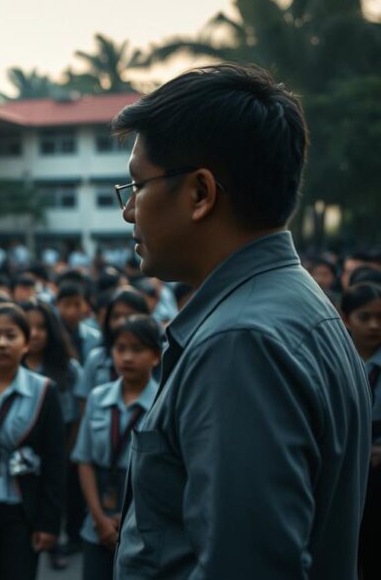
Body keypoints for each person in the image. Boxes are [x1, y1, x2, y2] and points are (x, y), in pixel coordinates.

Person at [112, 63, 370, 579]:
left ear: (201, 193)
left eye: (138, 186)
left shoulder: (241, 343)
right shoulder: (295, 304)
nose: (129, 212)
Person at [0, 303, 65, 580]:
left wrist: (49, 523)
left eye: (11, 336)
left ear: (26, 343)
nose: (1, 343)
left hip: (23, 510)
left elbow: (55, 460)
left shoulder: (43, 390)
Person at [72, 315, 160, 580]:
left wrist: (126, 517)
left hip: (142, 515)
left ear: (156, 356)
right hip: (98, 511)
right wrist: (99, 518)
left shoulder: (161, 402)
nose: (128, 357)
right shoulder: (99, 397)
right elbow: (84, 459)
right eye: (121, 349)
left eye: (137, 349)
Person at [19, 299, 83, 570]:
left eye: (41, 327)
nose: (34, 333)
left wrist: (67, 452)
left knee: (56, 496)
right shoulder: (10, 365)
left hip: (59, 446)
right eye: (27, 327)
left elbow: (77, 416)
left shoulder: (68, 369)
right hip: (21, 449)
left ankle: (55, 542)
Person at [341, 282, 381, 578]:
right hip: (344, 469)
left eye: (380, 317)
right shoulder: (335, 359)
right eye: (364, 317)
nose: (374, 326)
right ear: (345, 318)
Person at [75, 289, 150, 408]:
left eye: (129, 315)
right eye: (116, 316)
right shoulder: (96, 358)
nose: (121, 322)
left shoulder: (155, 357)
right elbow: (84, 404)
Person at [54, 281, 101, 361]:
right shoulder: (53, 336)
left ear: (85, 305)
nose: (72, 311)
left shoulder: (95, 337)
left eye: (77, 305)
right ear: (57, 305)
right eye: (67, 305)